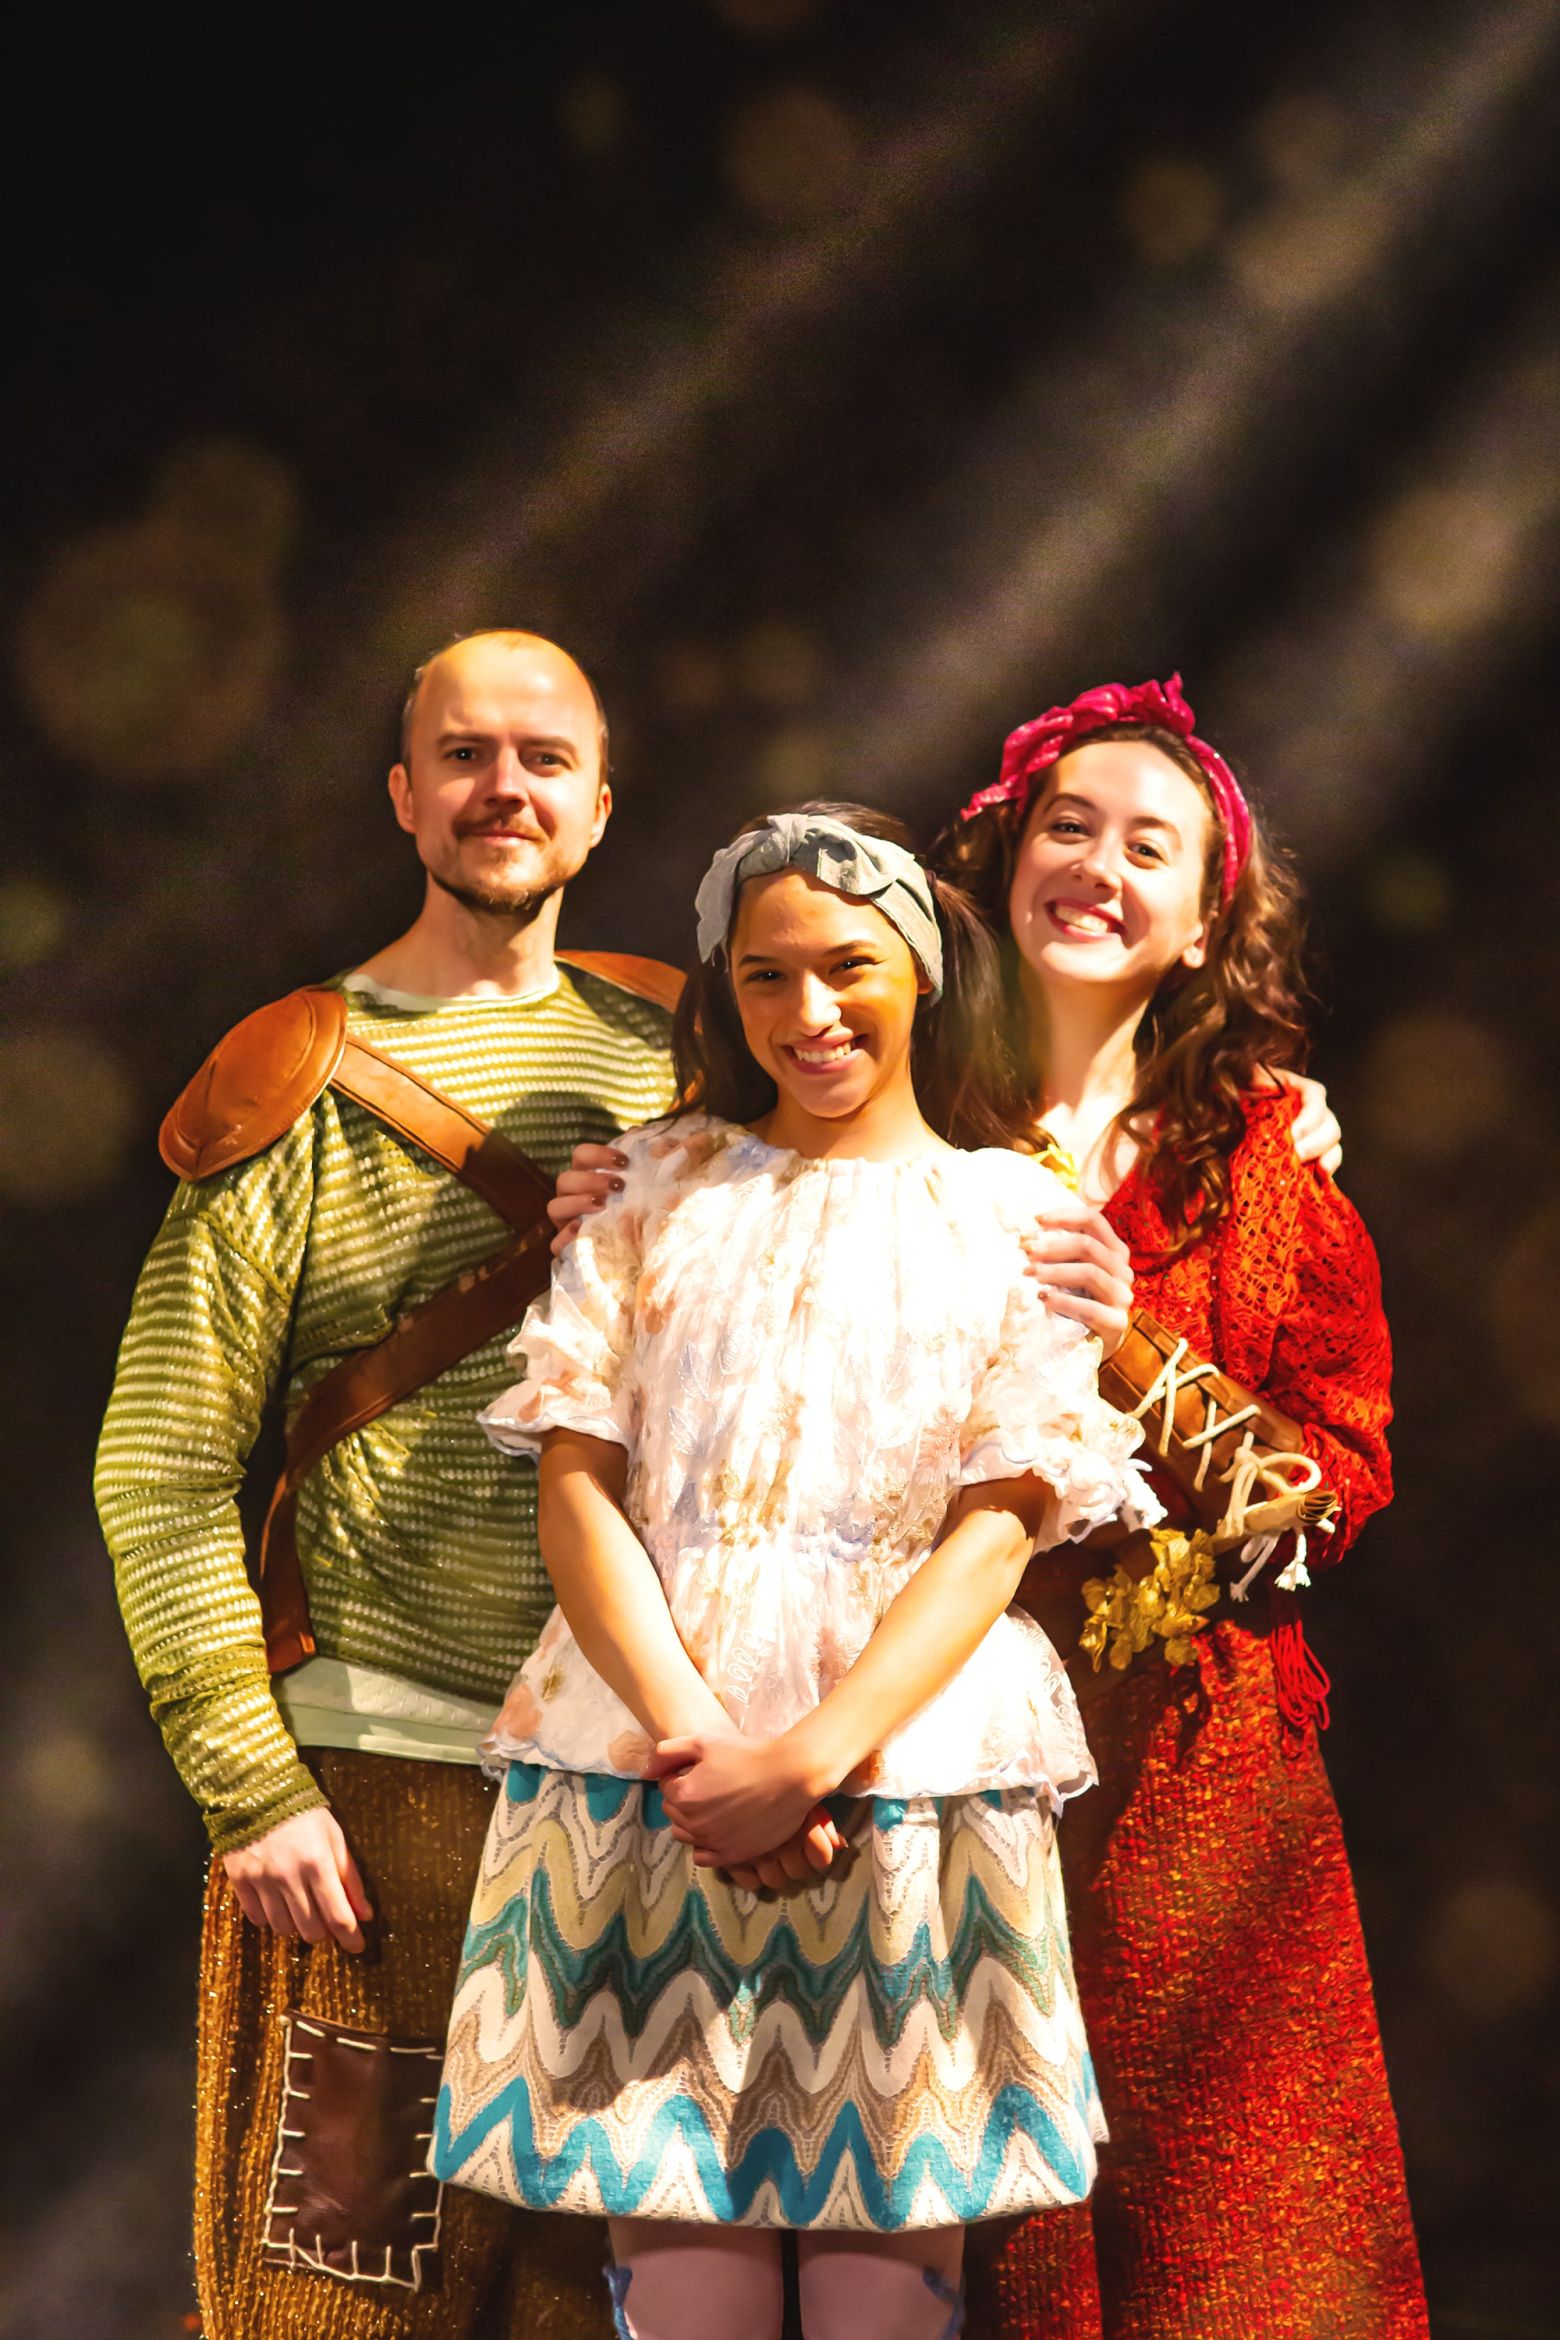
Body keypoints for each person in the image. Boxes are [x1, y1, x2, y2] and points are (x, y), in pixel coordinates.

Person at [430, 807, 1165, 2340]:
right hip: (651, 1775)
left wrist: (812, 1760)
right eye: (766, 976)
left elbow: (1000, 1522)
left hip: (897, 1789)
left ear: (926, 968)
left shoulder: (1021, 1217)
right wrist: (702, 1749)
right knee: (684, 2287)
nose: (809, 1012)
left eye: (849, 967)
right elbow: (578, 1482)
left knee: (879, 2294)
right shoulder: (649, 1192)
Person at [95, 630, 682, 2340]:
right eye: (468, 754)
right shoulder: (298, 1085)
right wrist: (249, 1783)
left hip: (635, 1793)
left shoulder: (691, 1058)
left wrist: (1245, 1097)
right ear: (406, 796)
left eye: (545, 758)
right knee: (343, 2297)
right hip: (379, 1797)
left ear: (596, 804)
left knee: (595, 2310)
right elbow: (163, 1466)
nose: (508, 787)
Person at [926, 677, 1430, 2339]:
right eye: (1067, 828)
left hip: (1198, 1808)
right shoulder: (887, 1122)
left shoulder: (1263, 1171)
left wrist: (1129, 1339)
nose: (1098, 865)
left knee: (1230, 2256)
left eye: (1151, 846)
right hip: (927, 1768)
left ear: (1208, 925)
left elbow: (1326, 1502)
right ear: (1004, 865)